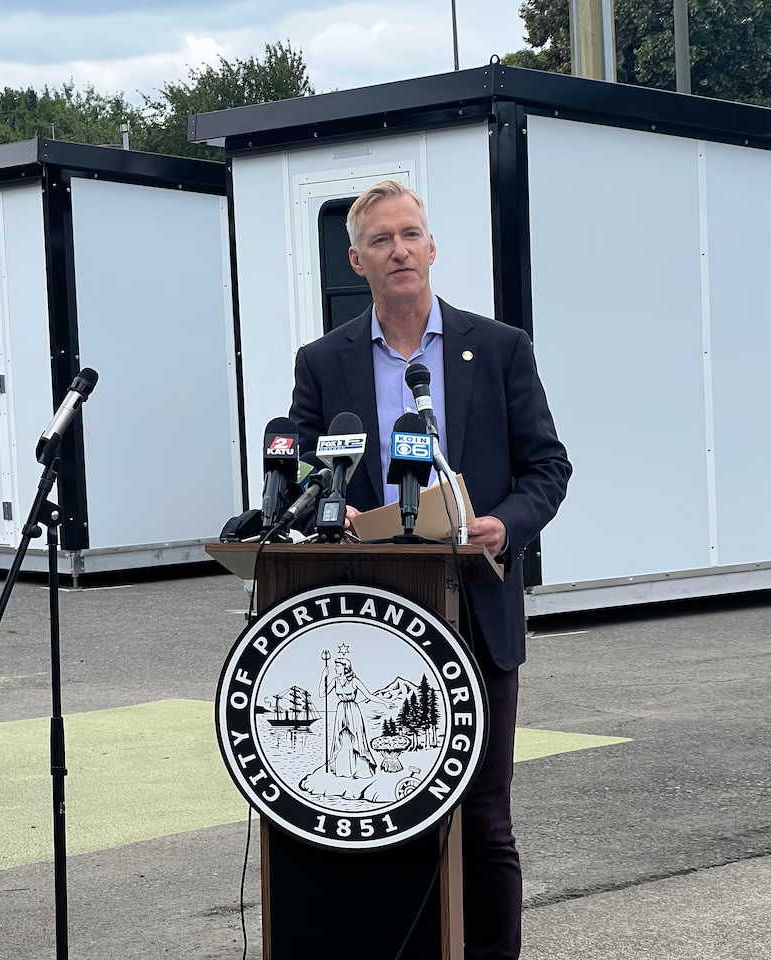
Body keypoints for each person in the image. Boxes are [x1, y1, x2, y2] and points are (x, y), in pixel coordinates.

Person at [288, 180, 572, 960]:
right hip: (374, 620)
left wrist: (502, 525)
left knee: (483, 820)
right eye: (381, 241)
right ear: (357, 260)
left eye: (411, 234)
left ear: (433, 247)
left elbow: (547, 468)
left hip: (478, 614)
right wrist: (329, 508)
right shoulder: (323, 363)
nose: (400, 250)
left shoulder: (500, 347)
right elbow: (312, 475)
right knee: (391, 814)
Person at [321, 650, 378, 779]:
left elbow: (369, 695)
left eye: (337, 666)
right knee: (341, 737)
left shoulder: (354, 681)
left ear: (344, 667)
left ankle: (360, 769)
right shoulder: (335, 680)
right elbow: (322, 694)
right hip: (341, 709)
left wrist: (384, 702)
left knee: (356, 737)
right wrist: (323, 677)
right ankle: (343, 769)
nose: (335, 668)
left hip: (353, 710)